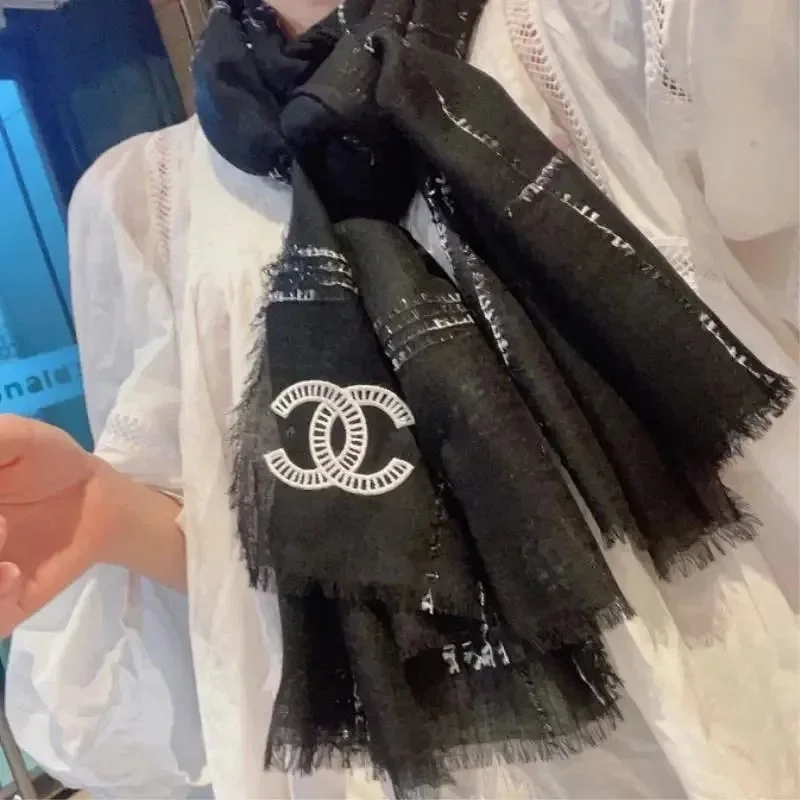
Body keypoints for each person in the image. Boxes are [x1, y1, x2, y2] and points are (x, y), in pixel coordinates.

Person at [4, 0, 798, 797]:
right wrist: (105, 515)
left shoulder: (610, 30)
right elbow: (263, 590)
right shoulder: (140, 200)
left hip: (716, 722)